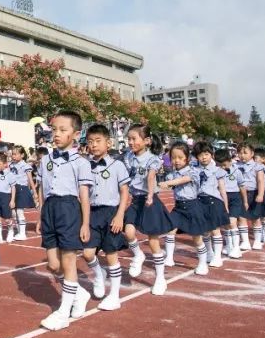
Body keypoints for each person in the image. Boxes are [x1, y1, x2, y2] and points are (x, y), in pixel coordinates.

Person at [38, 110, 94, 331]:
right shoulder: (45, 159)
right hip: (50, 209)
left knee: (69, 261)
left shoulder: (81, 163)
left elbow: (84, 196)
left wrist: (85, 223)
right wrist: (42, 215)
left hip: (69, 209)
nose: (57, 134)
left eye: (63, 130)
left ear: (76, 134)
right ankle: (80, 293)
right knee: (53, 264)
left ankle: (63, 311)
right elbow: (43, 189)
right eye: (54, 130)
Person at [80, 124, 131, 310]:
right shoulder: (85, 166)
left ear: (108, 143)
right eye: (90, 141)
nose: (93, 145)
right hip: (92, 213)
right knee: (87, 253)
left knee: (111, 255)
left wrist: (120, 216)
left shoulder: (117, 165)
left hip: (111, 213)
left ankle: (114, 296)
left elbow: (124, 192)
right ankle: (99, 274)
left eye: (98, 141)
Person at [121, 125, 171, 294]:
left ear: (147, 141)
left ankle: (160, 278)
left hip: (149, 201)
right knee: (128, 232)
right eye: (129, 139)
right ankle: (138, 255)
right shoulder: (128, 156)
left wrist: (150, 195)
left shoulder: (153, 159)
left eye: (134, 139)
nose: (130, 142)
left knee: (153, 241)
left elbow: (150, 177)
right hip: (136, 200)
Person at [161, 143, 208, 274]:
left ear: (186, 158)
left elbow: (184, 179)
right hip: (178, 207)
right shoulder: (172, 174)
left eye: (180, 157)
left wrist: (168, 183)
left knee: (196, 237)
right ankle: (169, 258)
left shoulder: (192, 171)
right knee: (170, 230)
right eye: (173, 157)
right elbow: (168, 183)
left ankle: (203, 263)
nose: (176, 160)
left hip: (192, 207)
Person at [194, 142, 230, 266]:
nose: (204, 157)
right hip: (199, 201)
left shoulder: (217, 170)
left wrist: (225, 205)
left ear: (211, 155)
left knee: (215, 230)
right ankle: (209, 252)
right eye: (200, 155)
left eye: (206, 154)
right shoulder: (194, 170)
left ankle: (217, 256)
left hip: (214, 202)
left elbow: (222, 189)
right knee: (204, 231)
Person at [217, 149, 247, 258]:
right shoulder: (216, 172)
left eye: (224, 164)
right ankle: (229, 245)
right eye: (220, 165)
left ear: (230, 160)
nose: (223, 167)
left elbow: (242, 186)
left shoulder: (237, 171)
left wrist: (245, 201)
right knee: (225, 223)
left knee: (232, 222)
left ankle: (236, 248)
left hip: (234, 197)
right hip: (221, 197)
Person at [233, 143, 261, 251]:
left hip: (253, 192)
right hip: (240, 194)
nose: (242, 155)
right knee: (241, 217)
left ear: (252, 154)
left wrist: (260, 194)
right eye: (240, 153)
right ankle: (245, 241)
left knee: (255, 217)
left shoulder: (257, 166)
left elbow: (260, 181)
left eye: (245, 153)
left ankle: (257, 240)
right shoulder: (235, 166)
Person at [9, 145, 38, 239]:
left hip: (21, 188)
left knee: (19, 211)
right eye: (12, 154)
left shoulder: (25, 166)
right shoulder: (11, 165)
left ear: (22, 155)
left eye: (15, 154)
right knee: (13, 212)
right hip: (13, 189)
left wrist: (35, 192)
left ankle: (22, 233)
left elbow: (30, 179)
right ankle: (19, 230)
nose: (13, 156)